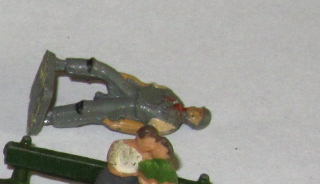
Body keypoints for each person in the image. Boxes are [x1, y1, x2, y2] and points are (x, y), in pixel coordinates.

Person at [29, 52, 210, 137]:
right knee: (100, 68)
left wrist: (120, 125)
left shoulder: (170, 124)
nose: (194, 114)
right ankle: (60, 64)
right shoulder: (172, 96)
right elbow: (146, 86)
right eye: (198, 112)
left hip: (127, 108)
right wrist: (128, 78)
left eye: (196, 118)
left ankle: (48, 117)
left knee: (86, 109)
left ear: (192, 123)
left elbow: (143, 128)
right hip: (129, 90)